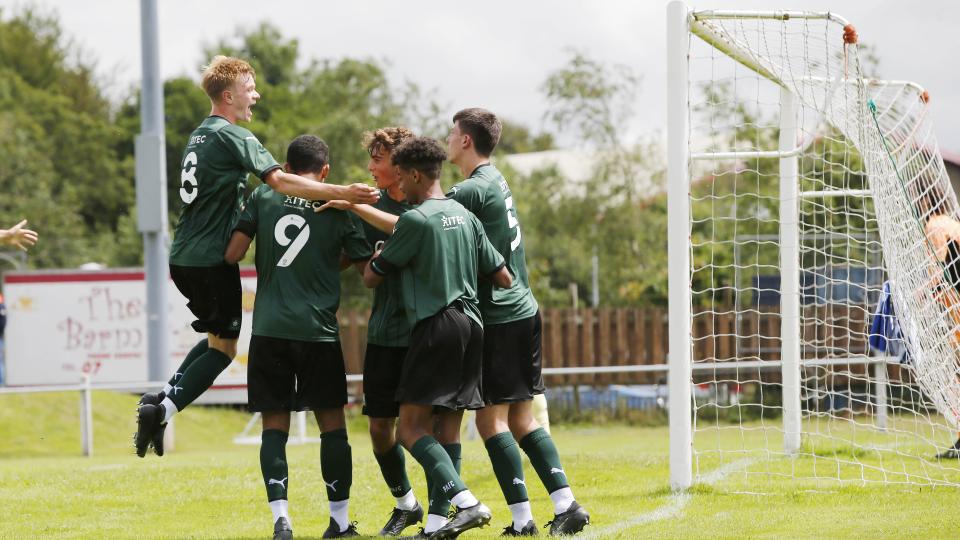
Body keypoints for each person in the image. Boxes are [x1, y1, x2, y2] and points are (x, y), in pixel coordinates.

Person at [133, 55, 379, 459]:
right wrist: (344, 193)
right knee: (224, 351)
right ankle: (162, 408)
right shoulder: (235, 136)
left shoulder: (199, 135)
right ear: (228, 96)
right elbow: (280, 181)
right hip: (213, 261)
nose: (256, 96)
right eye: (250, 89)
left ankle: (160, 402)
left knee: (217, 340)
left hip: (184, 256)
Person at [445, 108, 588, 536]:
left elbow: (424, 222)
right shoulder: (496, 178)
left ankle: (525, 519)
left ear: (467, 140)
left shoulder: (470, 189)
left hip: (500, 316)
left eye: (453, 132)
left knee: (491, 421)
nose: (448, 139)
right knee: (523, 419)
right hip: (523, 306)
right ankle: (565, 506)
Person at [362, 137, 512, 539]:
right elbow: (503, 275)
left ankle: (467, 502)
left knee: (410, 429)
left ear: (413, 174)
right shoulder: (465, 216)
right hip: (473, 326)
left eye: (401, 178)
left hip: (437, 327)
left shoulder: (415, 219)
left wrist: (391, 257)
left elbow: (372, 276)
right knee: (448, 429)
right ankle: (434, 524)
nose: (401, 187)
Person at [224, 135, 371, 539]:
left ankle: (281, 519)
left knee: (274, 427)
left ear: (286, 169)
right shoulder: (339, 208)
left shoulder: (262, 198)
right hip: (317, 333)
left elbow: (233, 253)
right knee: (332, 426)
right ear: (325, 172)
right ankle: (339, 522)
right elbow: (366, 271)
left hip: (270, 330)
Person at [354, 127, 426, 535]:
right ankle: (407, 504)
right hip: (384, 333)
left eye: (377, 159)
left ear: (400, 165)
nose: (370, 167)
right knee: (381, 428)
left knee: (429, 430)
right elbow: (355, 262)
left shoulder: (432, 205)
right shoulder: (366, 207)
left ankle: (445, 508)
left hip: (425, 334)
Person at [918, 183, 960, 459]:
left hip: (956, 302)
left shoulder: (935, 224)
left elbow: (939, 266)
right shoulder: (954, 223)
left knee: (957, 370)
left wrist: (923, 294)